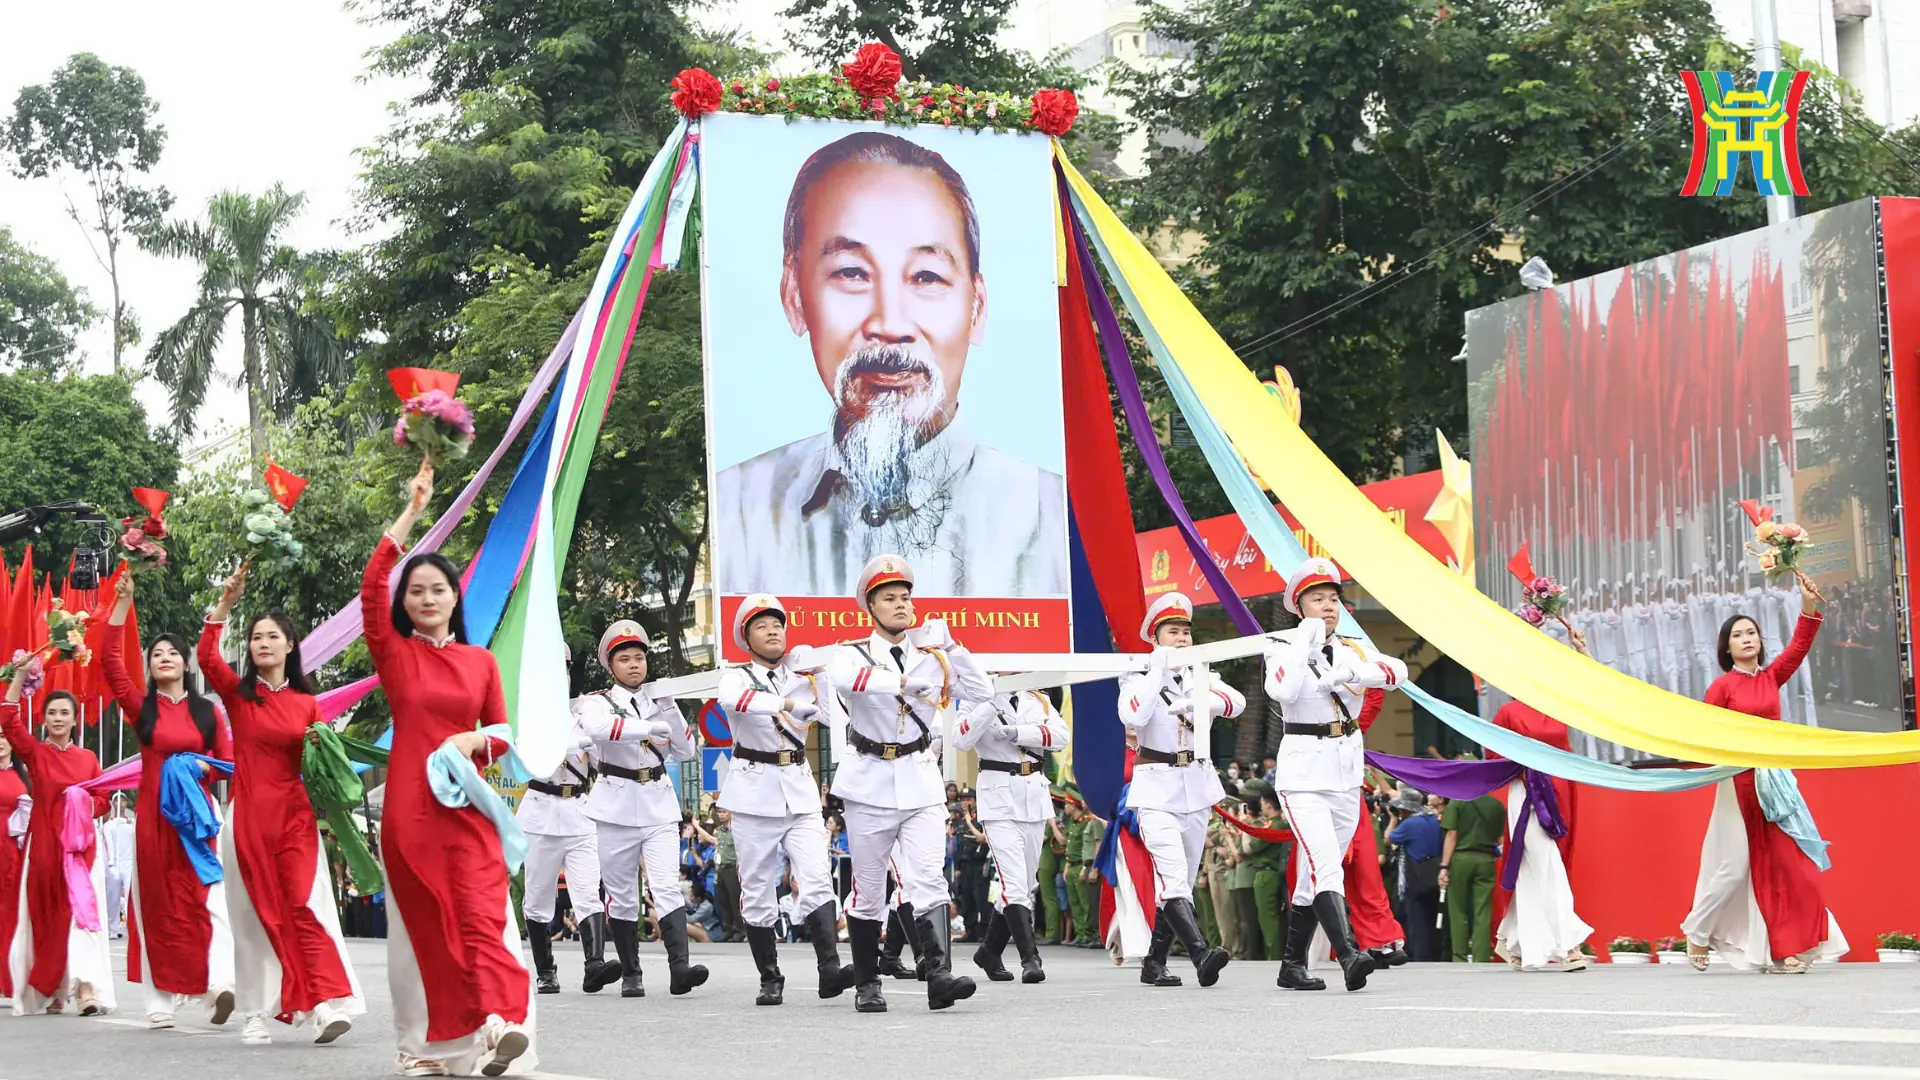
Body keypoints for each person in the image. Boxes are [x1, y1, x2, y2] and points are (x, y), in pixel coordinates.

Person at [713, 130, 1067, 597]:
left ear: (977, 309)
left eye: (927, 277)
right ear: (795, 297)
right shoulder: (738, 507)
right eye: (851, 273)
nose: (890, 324)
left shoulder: (1047, 512)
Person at [365, 465, 534, 1077]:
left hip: (467, 806)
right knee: (425, 927)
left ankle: (498, 1024)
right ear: (405, 604)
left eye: (438, 588)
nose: (427, 598)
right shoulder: (394, 653)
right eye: (416, 591)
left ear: (455, 597)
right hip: (410, 811)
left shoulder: (479, 661)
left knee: (483, 911)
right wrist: (412, 511)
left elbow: (504, 734)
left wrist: (473, 740)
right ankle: (424, 1048)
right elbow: (371, 586)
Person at [200, 566, 364, 1045]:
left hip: (294, 819)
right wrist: (227, 602)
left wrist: (322, 758)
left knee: (303, 908)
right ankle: (254, 1012)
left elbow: (322, 764)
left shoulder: (308, 705)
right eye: (256, 638)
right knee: (253, 917)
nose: (262, 643)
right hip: (248, 818)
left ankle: (323, 1003)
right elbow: (207, 656)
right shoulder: (240, 696)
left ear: (291, 646)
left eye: (272, 636)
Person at [829, 553, 991, 1013]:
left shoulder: (932, 658)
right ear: (870, 607)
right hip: (869, 781)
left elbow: (983, 692)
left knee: (928, 879)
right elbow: (848, 679)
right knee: (869, 890)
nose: (901, 604)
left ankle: (939, 977)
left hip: (919, 779)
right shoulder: (851, 652)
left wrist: (953, 647)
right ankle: (866, 983)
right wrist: (905, 681)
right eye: (889, 598)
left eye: (905, 597)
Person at [1683, 576, 1847, 973]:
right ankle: (1697, 930)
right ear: (1726, 647)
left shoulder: (1772, 678)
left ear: (1760, 640)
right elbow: (1705, 736)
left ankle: (1786, 949)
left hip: (1775, 785)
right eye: (1737, 635)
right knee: (1734, 867)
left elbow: (1799, 647)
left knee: (1792, 867)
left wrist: (1807, 605)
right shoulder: (1722, 688)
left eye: (1751, 632)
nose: (1746, 639)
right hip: (1737, 784)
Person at [1264, 558, 1407, 992]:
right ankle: (1348, 955)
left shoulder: (1353, 649)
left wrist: (1355, 672)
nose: (1328, 606)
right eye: (1317, 600)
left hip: (1344, 772)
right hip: (1303, 774)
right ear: (1299, 607)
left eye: (1333, 599)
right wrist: (1303, 642)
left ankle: (1292, 966)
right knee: (1326, 867)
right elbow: (1282, 689)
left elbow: (1397, 672)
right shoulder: (1280, 647)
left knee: (1314, 874)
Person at [104, 572, 237, 1029]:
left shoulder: (208, 711)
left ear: (185, 662)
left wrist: (201, 766)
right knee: (158, 905)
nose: (164, 658)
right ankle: (159, 999)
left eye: (172, 653)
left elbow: (228, 763)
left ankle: (219, 984)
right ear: (150, 665)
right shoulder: (142, 708)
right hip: (155, 819)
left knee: (208, 898)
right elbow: (110, 663)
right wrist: (123, 604)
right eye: (156, 654)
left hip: (198, 820)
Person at [714, 594, 856, 1007]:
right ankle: (770, 977)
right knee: (758, 888)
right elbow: (735, 702)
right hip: (753, 791)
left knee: (816, 876)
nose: (773, 631)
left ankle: (829, 969)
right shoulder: (736, 676)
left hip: (798, 787)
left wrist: (821, 673)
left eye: (778, 625)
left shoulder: (802, 676)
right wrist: (789, 702)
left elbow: (831, 715)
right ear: (747, 638)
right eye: (762, 626)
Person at [575, 619, 705, 999]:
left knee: (665, 885)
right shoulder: (597, 702)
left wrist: (671, 710)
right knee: (621, 894)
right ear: (610, 666)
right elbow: (598, 730)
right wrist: (647, 728)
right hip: (615, 805)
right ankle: (631, 973)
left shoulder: (657, 701)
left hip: (658, 803)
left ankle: (679, 969)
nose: (634, 665)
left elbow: (686, 751)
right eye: (625, 659)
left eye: (639, 657)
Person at [1118, 592, 1241, 988]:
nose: (1182, 639)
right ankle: (1200, 953)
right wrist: (1157, 671)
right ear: (1155, 639)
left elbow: (1235, 703)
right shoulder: (1136, 677)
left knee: (1181, 884)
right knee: (1172, 879)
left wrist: (1198, 699)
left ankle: (1154, 963)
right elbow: (1134, 715)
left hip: (1196, 786)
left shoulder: (1200, 675)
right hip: (1156, 788)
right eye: (1173, 632)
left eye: (1186, 632)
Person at [2, 683, 112, 1016]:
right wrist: (20, 676)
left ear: (75, 719)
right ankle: (53, 988)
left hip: (80, 850)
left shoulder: (88, 759)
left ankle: (86, 991)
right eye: (52, 713)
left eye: (65, 712)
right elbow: (8, 718)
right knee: (48, 918)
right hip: (45, 847)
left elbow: (103, 800)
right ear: (44, 719)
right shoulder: (36, 753)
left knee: (80, 915)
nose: (58, 718)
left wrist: (84, 803)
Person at [1488, 631, 1593, 973]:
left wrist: (1581, 651)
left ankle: (1509, 938)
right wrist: (1522, 767)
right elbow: (1493, 755)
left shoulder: (1558, 705)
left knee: (1535, 866)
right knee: (1548, 864)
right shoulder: (1508, 712)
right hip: (1528, 795)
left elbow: (1592, 693)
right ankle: (1569, 946)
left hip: (1561, 790)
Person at [957, 687, 1069, 983]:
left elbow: (1061, 737)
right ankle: (1030, 959)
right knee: (1015, 886)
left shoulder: (1039, 698)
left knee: (1026, 884)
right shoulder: (974, 699)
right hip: (998, 799)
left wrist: (1020, 732)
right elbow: (960, 738)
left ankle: (989, 951)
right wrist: (991, 703)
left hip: (1034, 797)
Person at [518, 680, 616, 997]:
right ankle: (546, 972)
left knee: (588, 891)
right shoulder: (526, 719)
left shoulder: (584, 714)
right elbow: (525, 760)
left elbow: (603, 761)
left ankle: (595, 965)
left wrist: (598, 733)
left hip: (579, 812)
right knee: (538, 899)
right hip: (540, 814)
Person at [1439, 791, 1503, 963]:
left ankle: (1459, 955)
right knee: (1483, 911)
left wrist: (1444, 866)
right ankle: (1481, 956)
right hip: (1486, 859)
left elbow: (1452, 835)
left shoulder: (1457, 801)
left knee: (1458, 910)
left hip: (1460, 858)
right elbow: (1500, 839)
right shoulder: (1496, 805)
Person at [1386, 790, 1443, 962]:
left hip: (1415, 874)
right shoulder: (1434, 819)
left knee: (1416, 917)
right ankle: (1433, 954)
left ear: (1405, 809)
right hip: (1434, 871)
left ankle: (1420, 954)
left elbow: (1389, 839)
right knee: (1430, 915)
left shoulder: (1409, 824)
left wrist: (1393, 819)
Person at [1238, 780, 1289, 961]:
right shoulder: (1274, 823)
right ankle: (1272, 953)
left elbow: (1251, 847)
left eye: (1262, 804)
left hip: (1267, 873)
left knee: (1269, 918)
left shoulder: (1275, 825)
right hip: (1267, 872)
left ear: (1268, 805)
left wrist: (1245, 827)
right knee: (1267, 917)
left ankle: (1274, 955)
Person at [0, 726, 22, 1001]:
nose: (0, 742)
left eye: (4, 736)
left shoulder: (24, 776)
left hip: (14, 852)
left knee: (11, 914)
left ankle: (9, 978)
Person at [102, 794, 134, 938]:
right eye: (116, 799)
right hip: (114, 864)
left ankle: (132, 928)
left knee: (129, 897)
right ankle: (113, 929)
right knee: (113, 898)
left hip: (128, 863)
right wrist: (111, 864)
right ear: (113, 803)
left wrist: (128, 822)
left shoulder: (132, 823)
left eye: (123, 799)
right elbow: (108, 845)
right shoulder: (108, 825)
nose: (120, 802)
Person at [1036, 803, 1067, 945]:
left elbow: (1041, 838)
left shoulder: (1049, 823)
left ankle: (1052, 932)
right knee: (1047, 899)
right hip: (1045, 862)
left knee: (1049, 899)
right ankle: (1051, 931)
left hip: (1046, 863)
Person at [712, 809, 743, 943]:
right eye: (719, 812)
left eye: (724, 812)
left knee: (734, 900)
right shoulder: (720, 831)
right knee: (723, 900)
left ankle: (739, 930)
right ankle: (728, 929)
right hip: (721, 868)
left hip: (732, 867)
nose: (721, 814)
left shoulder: (736, 831)